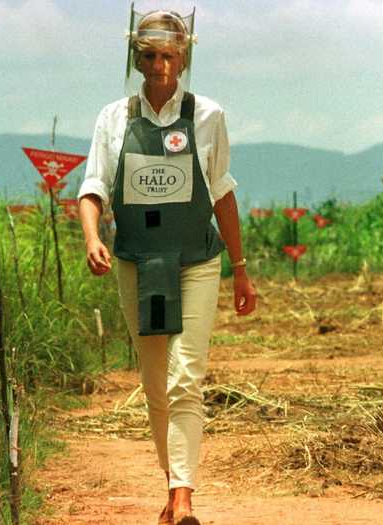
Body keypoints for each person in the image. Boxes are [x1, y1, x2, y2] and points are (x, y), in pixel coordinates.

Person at [78, 7, 256, 525]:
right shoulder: (114, 118)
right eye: (151, 56)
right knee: (156, 381)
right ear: (137, 58)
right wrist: (93, 238)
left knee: (185, 378)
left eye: (170, 56)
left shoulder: (208, 116)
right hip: (138, 263)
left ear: (185, 58)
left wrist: (240, 268)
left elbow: (222, 193)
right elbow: (92, 188)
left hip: (196, 261)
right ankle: (171, 480)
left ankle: (183, 495)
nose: (160, 66)